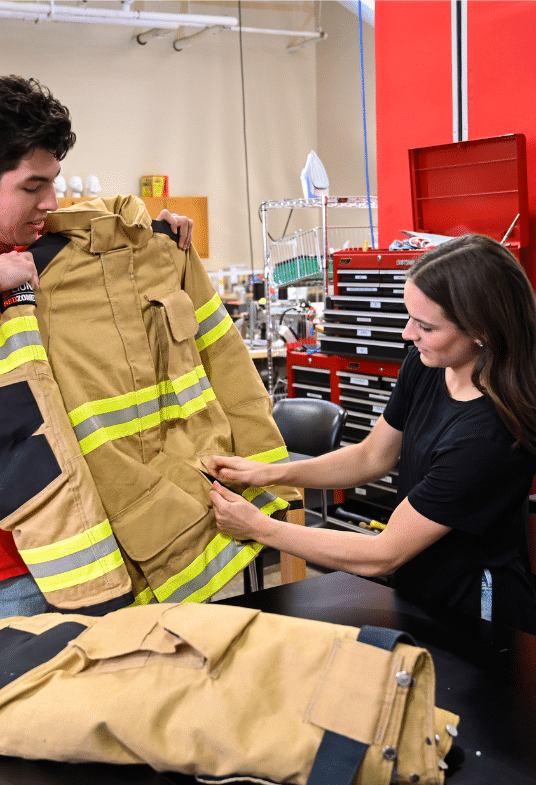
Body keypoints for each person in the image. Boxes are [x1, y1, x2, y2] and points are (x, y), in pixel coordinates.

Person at [0, 76, 192, 628]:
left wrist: (155, 238)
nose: (50, 202)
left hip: (91, 551)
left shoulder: (54, 252)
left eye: (53, 182)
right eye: (32, 186)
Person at [209, 234, 536, 634]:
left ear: (481, 330)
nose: (407, 333)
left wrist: (259, 527)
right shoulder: (428, 366)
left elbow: (384, 552)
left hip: (474, 611)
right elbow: (372, 456)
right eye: (409, 317)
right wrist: (269, 472)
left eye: (426, 326)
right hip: (416, 588)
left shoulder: (489, 438)